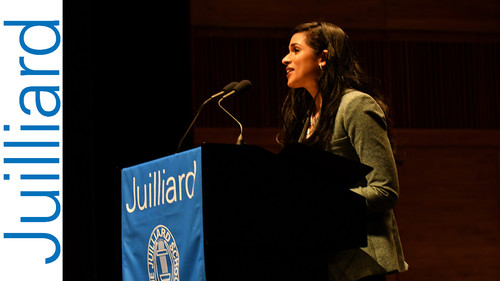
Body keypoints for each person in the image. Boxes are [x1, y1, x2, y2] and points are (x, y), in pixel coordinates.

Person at [278, 22, 408, 281]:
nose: (285, 59)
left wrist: (320, 203)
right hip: (321, 259)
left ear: (323, 57)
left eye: (295, 50)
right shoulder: (307, 117)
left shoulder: (355, 105)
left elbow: (385, 190)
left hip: (359, 262)